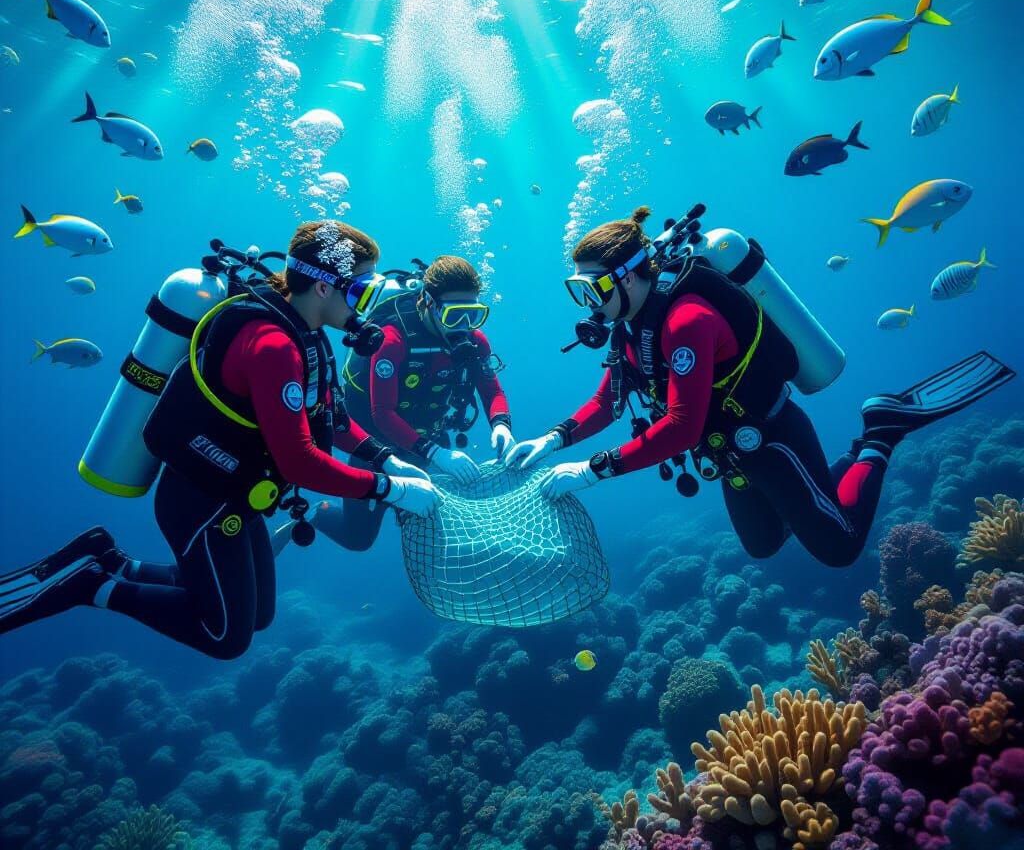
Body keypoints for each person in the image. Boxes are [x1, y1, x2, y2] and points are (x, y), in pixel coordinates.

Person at [0, 221, 440, 655]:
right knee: (225, 637)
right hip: (202, 502)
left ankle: (112, 561)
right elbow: (299, 463)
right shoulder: (274, 345)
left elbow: (330, 419)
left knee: (258, 615)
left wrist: (384, 458)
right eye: (361, 290)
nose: (365, 307)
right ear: (324, 288)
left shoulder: (306, 336)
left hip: (237, 493)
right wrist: (390, 489)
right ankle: (91, 585)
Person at [505, 207, 1015, 568]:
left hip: (769, 439)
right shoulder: (630, 328)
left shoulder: (686, 320)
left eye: (592, 289)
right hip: (730, 454)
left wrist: (594, 470)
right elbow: (606, 402)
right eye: (578, 292)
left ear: (630, 277)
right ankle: (824, 486)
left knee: (838, 548)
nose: (588, 305)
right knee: (764, 544)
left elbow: (681, 427)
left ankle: (879, 433)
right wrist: (553, 440)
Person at [273, 254, 514, 553]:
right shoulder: (392, 339)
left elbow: (492, 390)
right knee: (358, 539)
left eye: (473, 315)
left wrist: (501, 426)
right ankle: (319, 513)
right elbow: (382, 414)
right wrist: (438, 454)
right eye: (454, 315)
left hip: (428, 440)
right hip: (377, 447)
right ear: (428, 302)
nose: (463, 326)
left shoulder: (475, 342)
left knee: (433, 529)